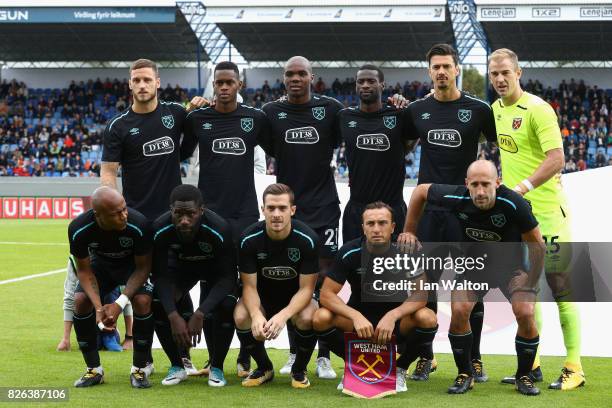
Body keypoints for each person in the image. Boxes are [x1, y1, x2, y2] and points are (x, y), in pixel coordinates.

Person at [399, 160, 546, 395]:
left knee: (526, 311)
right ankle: (465, 373)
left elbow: (538, 246)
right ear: (466, 184)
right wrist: (409, 230)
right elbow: (420, 192)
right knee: (459, 310)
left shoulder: (514, 203)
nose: (480, 191)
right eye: (474, 184)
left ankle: (524, 376)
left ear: (497, 183)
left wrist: (530, 281)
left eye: (485, 184)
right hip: (474, 267)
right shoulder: (457, 197)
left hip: (512, 268)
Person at [100, 58, 206, 375]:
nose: (142, 85)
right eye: (137, 80)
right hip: (139, 223)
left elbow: (188, 147)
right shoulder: (118, 126)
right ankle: (147, 361)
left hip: (176, 222)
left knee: (179, 290)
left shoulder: (175, 114)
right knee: (149, 295)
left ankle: (183, 358)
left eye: (148, 79)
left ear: (157, 82)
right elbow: (108, 174)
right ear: (130, 85)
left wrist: (197, 107)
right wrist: (110, 211)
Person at [488, 48, 585, 390]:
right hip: (521, 219)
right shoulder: (495, 110)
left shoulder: (538, 109)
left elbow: (557, 158)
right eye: (494, 74)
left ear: (519, 72)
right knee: (527, 289)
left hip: (548, 215)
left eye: (505, 73)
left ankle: (574, 366)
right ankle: (533, 364)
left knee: (560, 288)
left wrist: (522, 188)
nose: (500, 79)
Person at [402, 44, 498, 381]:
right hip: (429, 212)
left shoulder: (479, 109)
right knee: (424, 289)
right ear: (428, 71)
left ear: (457, 69)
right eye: (435, 67)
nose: (441, 72)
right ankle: (426, 358)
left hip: (467, 214)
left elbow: (506, 148)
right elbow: (400, 143)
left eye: (446, 66)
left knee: (471, 289)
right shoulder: (416, 110)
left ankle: (474, 359)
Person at [181, 60, 272, 377]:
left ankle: (246, 356)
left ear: (239, 85)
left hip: (245, 216)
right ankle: (214, 359)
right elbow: (180, 153)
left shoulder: (255, 119)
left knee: (246, 287)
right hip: (209, 219)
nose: (223, 87)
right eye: (218, 82)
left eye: (229, 82)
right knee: (210, 290)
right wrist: (186, 106)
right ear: (213, 85)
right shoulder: (198, 119)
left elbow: (282, 146)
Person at [261, 56, 344, 378]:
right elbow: (270, 147)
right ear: (283, 78)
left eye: (301, 74)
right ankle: (296, 354)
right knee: (295, 281)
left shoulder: (332, 109)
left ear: (313, 77)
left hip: (323, 207)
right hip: (287, 206)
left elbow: (342, 137)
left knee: (323, 280)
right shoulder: (271, 113)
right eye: (289, 74)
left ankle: (323, 356)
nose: (295, 79)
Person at [313, 201, 438, 393]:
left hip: (395, 324)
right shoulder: (349, 251)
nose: (376, 229)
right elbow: (326, 295)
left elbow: (420, 294)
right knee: (321, 317)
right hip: (360, 323)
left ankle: (399, 369)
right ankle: (356, 366)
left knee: (427, 317)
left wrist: (393, 315)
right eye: (370, 224)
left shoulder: (407, 251)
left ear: (393, 227)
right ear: (363, 227)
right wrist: (355, 316)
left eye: (382, 223)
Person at [234, 183, 320, 388]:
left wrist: (284, 316)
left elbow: (307, 289)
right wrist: (256, 314)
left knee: (309, 317)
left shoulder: (308, 239)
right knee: (241, 315)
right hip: (262, 299)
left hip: (296, 300)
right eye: (270, 208)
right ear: (262, 210)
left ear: (293, 210)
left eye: (282, 208)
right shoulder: (248, 239)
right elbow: (249, 287)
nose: (276, 214)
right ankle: (265, 367)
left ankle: (298, 369)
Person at [69, 187, 154, 388]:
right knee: (80, 301)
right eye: (116, 213)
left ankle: (139, 370)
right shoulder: (79, 228)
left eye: (124, 209)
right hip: (102, 267)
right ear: (98, 215)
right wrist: (99, 308)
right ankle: (94, 370)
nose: (124, 215)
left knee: (143, 301)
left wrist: (119, 303)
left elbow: (143, 268)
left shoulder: (139, 224)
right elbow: (84, 270)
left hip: (132, 268)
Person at [152, 185, 237, 387]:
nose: (184, 220)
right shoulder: (160, 229)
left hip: (215, 273)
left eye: (190, 214)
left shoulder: (220, 228)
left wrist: (200, 313)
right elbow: (161, 276)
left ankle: (216, 367)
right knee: (157, 302)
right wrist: (173, 315)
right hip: (181, 270)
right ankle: (177, 366)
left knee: (225, 305)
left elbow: (228, 277)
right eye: (178, 214)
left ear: (201, 210)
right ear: (171, 210)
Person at [337, 64, 413, 242]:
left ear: (382, 85)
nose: (365, 85)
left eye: (371, 81)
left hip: (393, 208)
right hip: (357, 209)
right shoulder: (344, 117)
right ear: (355, 86)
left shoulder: (398, 114)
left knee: (395, 268)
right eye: (360, 82)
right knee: (355, 267)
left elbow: (409, 143)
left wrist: (402, 101)